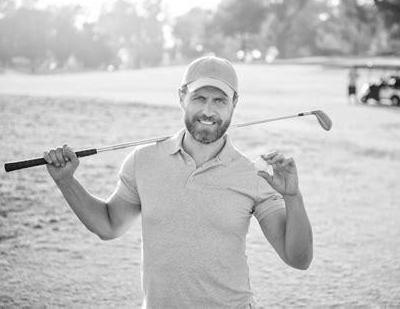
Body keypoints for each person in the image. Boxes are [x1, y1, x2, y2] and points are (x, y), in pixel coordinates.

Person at [43, 56, 313, 308]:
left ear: (234, 103)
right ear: (182, 97)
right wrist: (67, 181)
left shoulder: (253, 174)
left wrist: (293, 197)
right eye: (199, 98)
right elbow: (109, 225)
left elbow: (298, 259)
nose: (208, 111)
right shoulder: (143, 160)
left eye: (219, 101)